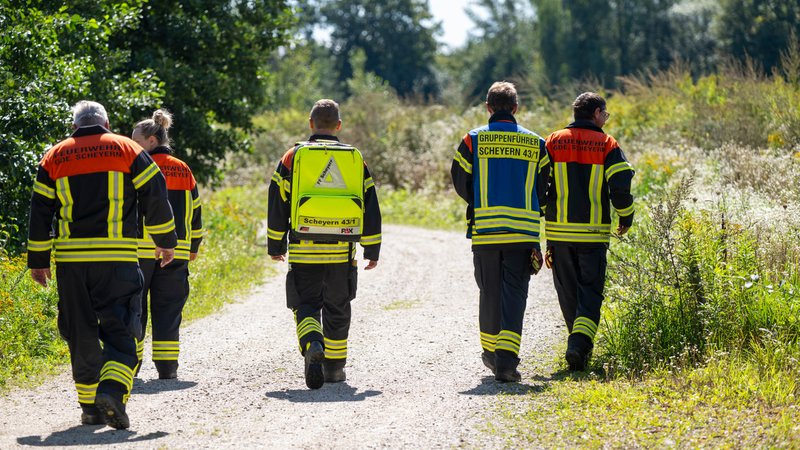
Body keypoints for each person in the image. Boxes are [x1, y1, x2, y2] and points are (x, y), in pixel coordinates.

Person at [27, 100, 177, 429]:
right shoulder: (126, 148)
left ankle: (90, 409)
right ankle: (111, 391)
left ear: (74, 126)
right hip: (116, 260)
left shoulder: (54, 155)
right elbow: (156, 194)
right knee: (122, 331)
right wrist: (166, 242)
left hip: (72, 263)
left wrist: (38, 261)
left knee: (80, 332)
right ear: (106, 124)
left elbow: (39, 212)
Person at [267, 99, 382, 389]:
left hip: (304, 250)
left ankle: (313, 342)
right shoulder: (355, 158)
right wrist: (372, 249)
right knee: (338, 309)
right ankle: (334, 369)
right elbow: (370, 203)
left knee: (305, 305)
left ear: (310, 124)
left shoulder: (293, 156)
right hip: (342, 253)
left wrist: (275, 244)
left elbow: (277, 199)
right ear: (339, 126)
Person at [451, 81, 550, 382]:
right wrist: (534, 207)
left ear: (488, 107)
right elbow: (547, 185)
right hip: (523, 233)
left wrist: (479, 201)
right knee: (515, 295)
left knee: (489, 293)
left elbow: (459, 178)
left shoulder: (473, 140)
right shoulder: (537, 143)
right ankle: (506, 362)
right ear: (516, 108)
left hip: (487, 232)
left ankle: (491, 354)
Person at [544, 92, 635, 371]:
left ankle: (577, 346)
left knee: (568, 291)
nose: (605, 120)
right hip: (593, 233)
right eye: (604, 115)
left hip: (559, 233)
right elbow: (620, 185)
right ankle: (580, 344)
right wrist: (626, 216)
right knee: (591, 292)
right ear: (595, 113)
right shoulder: (607, 144)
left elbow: (539, 184)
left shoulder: (553, 141)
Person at [131, 109, 203, 380]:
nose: (131, 145)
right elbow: (195, 209)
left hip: (140, 249)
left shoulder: (138, 167)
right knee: (169, 310)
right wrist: (194, 244)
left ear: (151, 140)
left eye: (135, 140)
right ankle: (167, 367)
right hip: (179, 249)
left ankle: (131, 365)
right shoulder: (183, 168)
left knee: (134, 308)